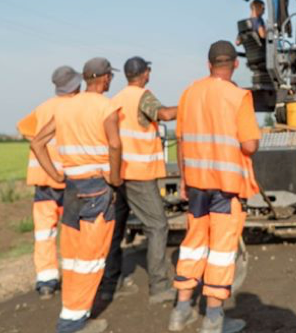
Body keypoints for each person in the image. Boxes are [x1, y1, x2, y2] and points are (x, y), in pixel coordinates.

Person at [168, 40, 261, 333]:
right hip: (225, 188)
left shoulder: (189, 94)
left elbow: (181, 142)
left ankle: (180, 313)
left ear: (209, 64)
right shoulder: (238, 97)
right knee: (221, 251)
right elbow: (249, 145)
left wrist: (183, 179)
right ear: (235, 64)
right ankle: (214, 319)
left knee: (193, 245)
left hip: (195, 185)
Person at [31, 57, 123, 333]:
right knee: (92, 257)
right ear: (105, 78)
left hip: (71, 188)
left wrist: (57, 175)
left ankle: (70, 310)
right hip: (97, 189)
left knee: (71, 256)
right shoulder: (107, 106)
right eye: (109, 77)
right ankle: (73, 322)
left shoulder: (65, 108)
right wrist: (115, 178)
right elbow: (115, 144)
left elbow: (37, 143)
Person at [98, 56, 178, 305]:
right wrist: (189, 104)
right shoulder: (142, 95)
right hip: (139, 174)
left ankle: (110, 285)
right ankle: (159, 287)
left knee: (116, 229)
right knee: (157, 226)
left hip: (119, 174)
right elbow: (164, 114)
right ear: (145, 74)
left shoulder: (117, 99)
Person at [17, 65, 83, 299]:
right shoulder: (77, 107)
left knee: (44, 233)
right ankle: (73, 275)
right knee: (70, 230)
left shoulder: (43, 108)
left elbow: (24, 128)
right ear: (76, 85)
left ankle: (46, 281)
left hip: (42, 181)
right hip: (68, 180)